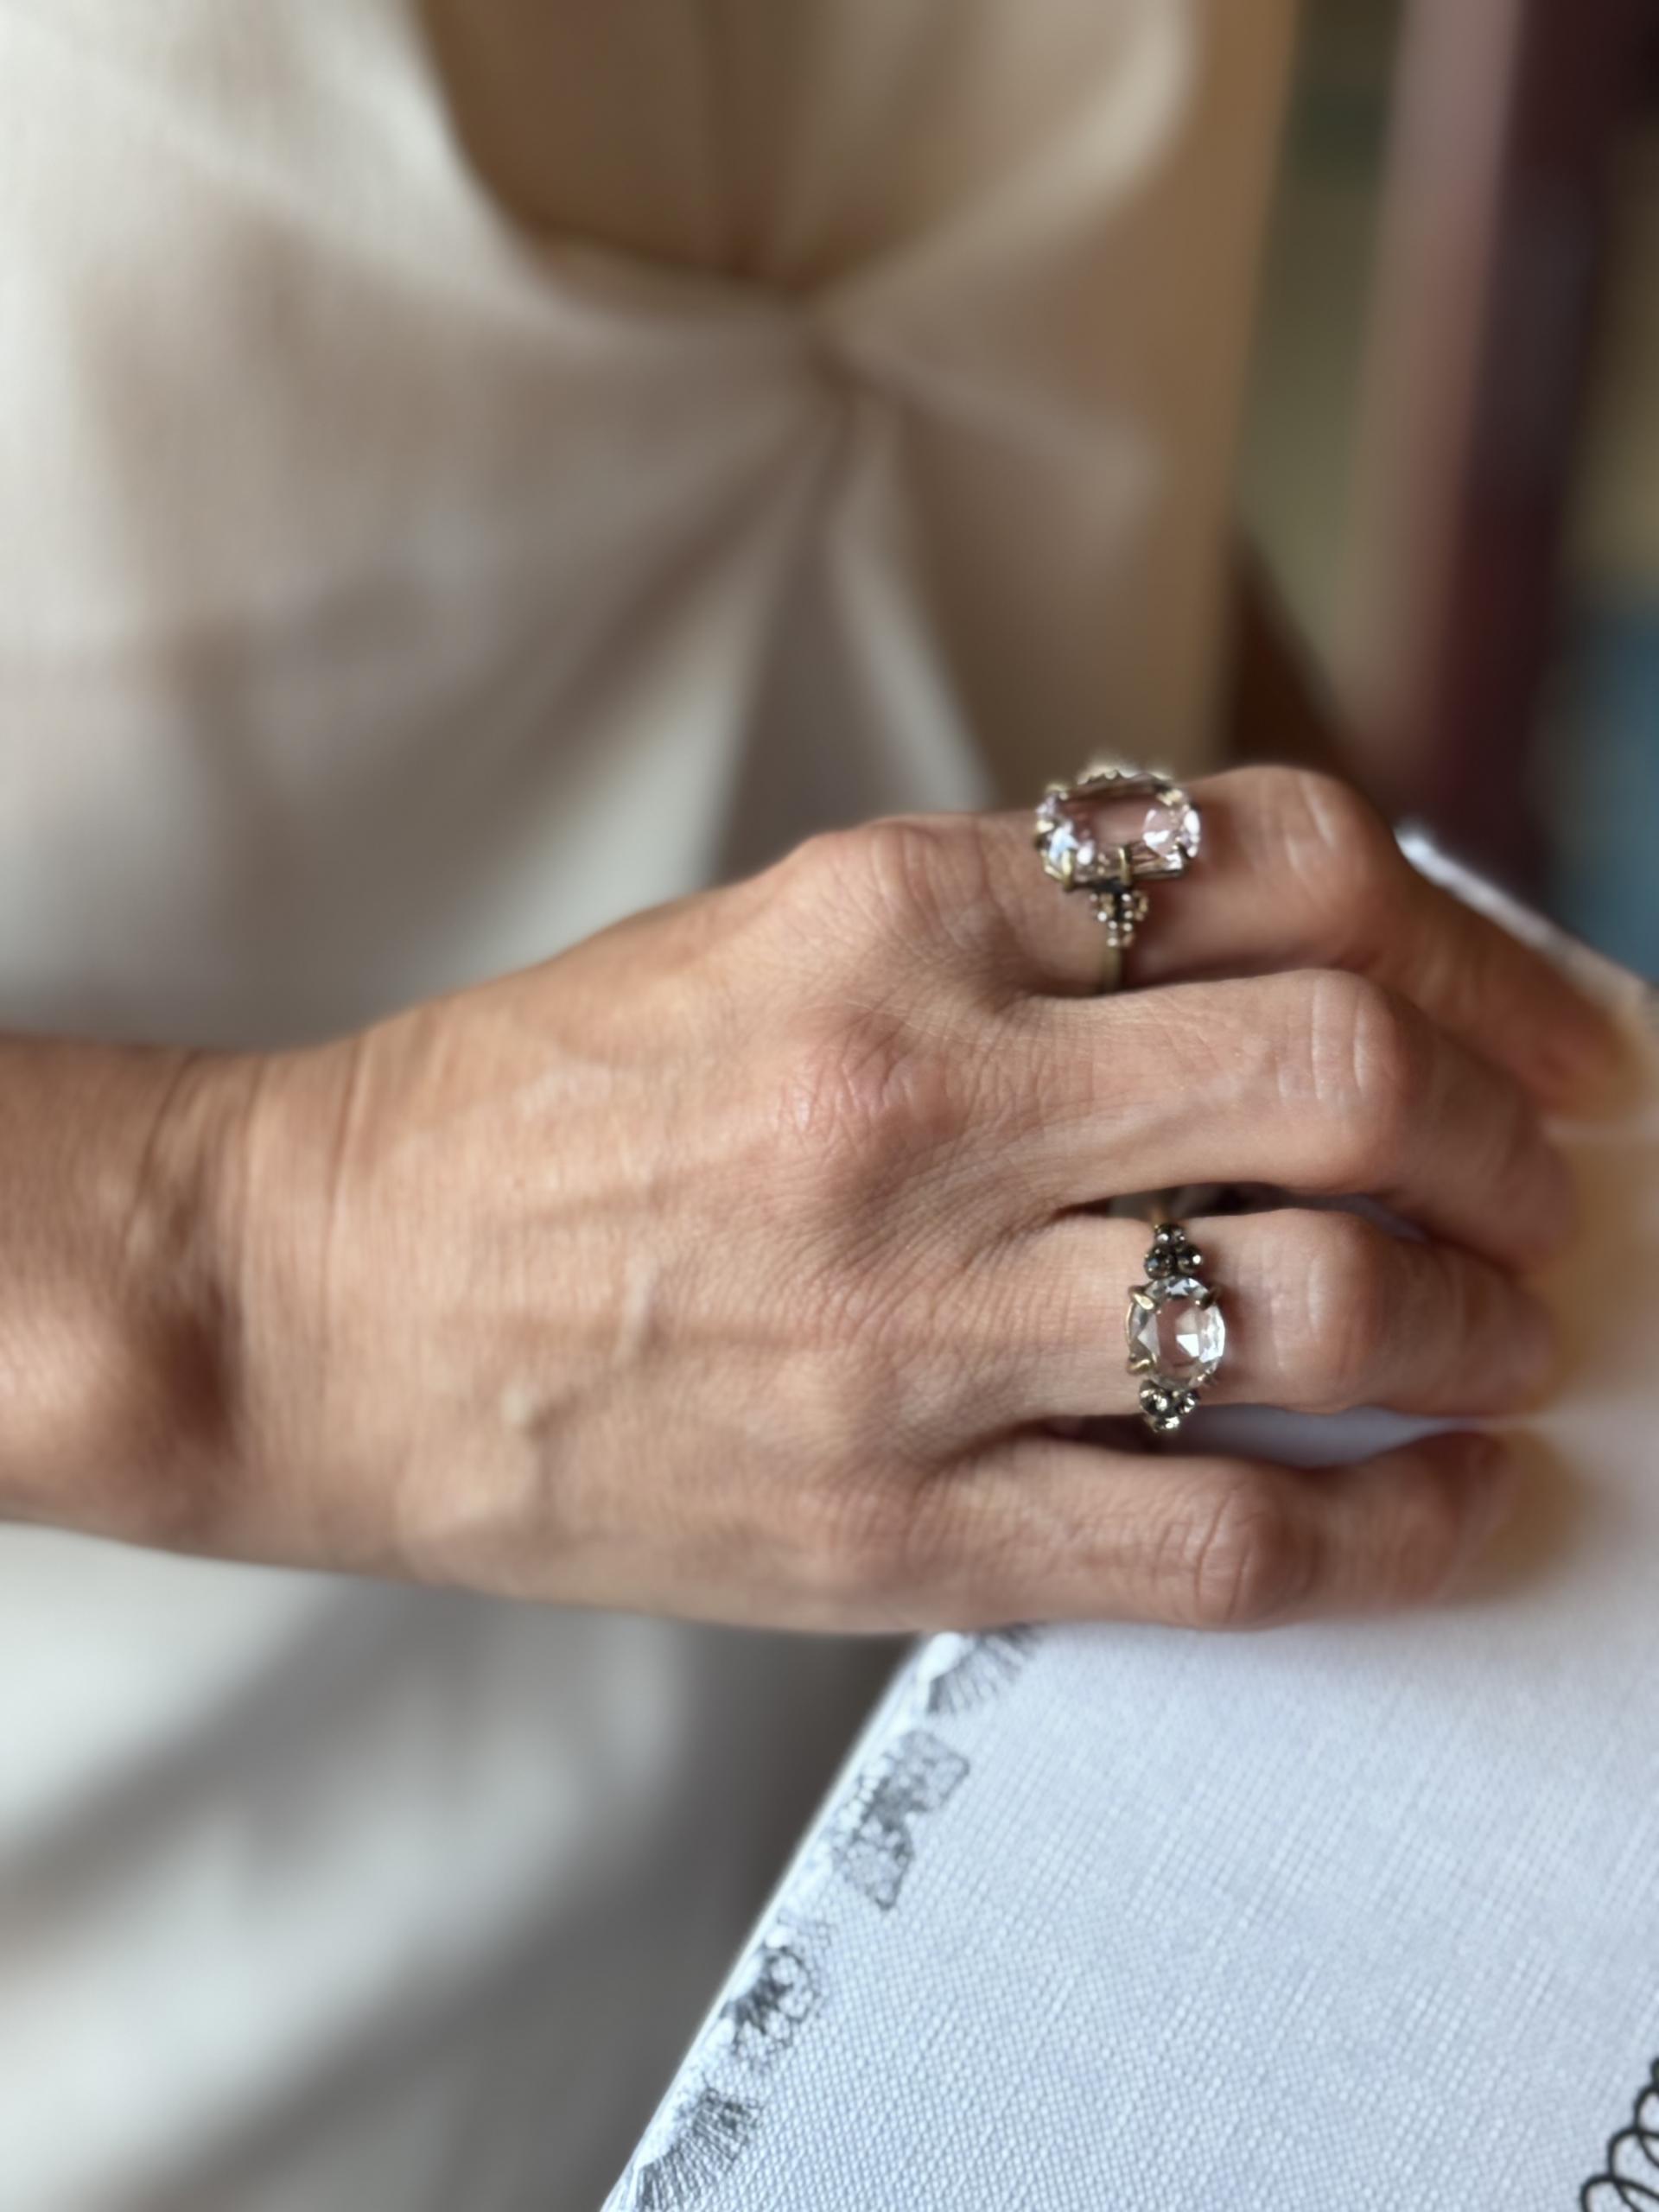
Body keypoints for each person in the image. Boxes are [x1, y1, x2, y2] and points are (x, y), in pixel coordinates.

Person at [0, 2, 1620, 2206]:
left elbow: (1004, 416)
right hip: (214, 1989)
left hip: (1150, 1895)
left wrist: (1291, 957)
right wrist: (277, 1272)